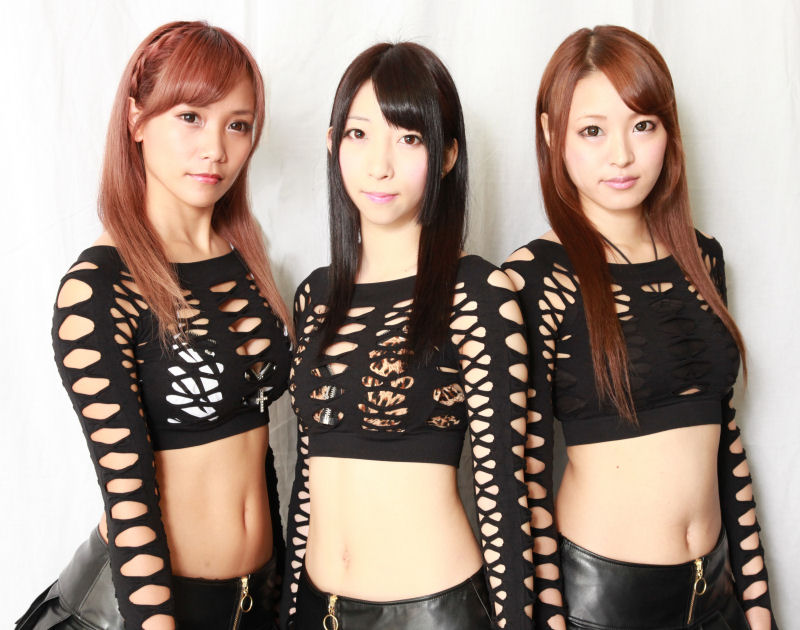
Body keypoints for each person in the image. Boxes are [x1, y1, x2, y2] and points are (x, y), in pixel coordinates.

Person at [17, 21, 292, 630]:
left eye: (238, 124)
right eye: (191, 117)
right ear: (137, 120)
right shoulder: (100, 286)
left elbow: (255, 449)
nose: (215, 148)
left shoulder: (244, 262)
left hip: (247, 605)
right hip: (140, 611)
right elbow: (129, 500)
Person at [503, 25, 778, 630]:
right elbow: (523, 477)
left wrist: (757, 608)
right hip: (604, 602)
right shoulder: (533, 277)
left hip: (714, 590)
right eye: (592, 130)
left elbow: (725, 442)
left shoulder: (702, 258)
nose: (621, 156)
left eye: (643, 126)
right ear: (552, 133)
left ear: (668, 130)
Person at [281, 42, 534, 630]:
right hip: (318, 608)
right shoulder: (316, 295)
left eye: (409, 138)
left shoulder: (477, 292)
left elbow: (503, 493)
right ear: (332, 143)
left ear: (446, 156)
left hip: (431, 613)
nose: (380, 164)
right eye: (359, 134)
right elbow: (308, 480)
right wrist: (290, 609)